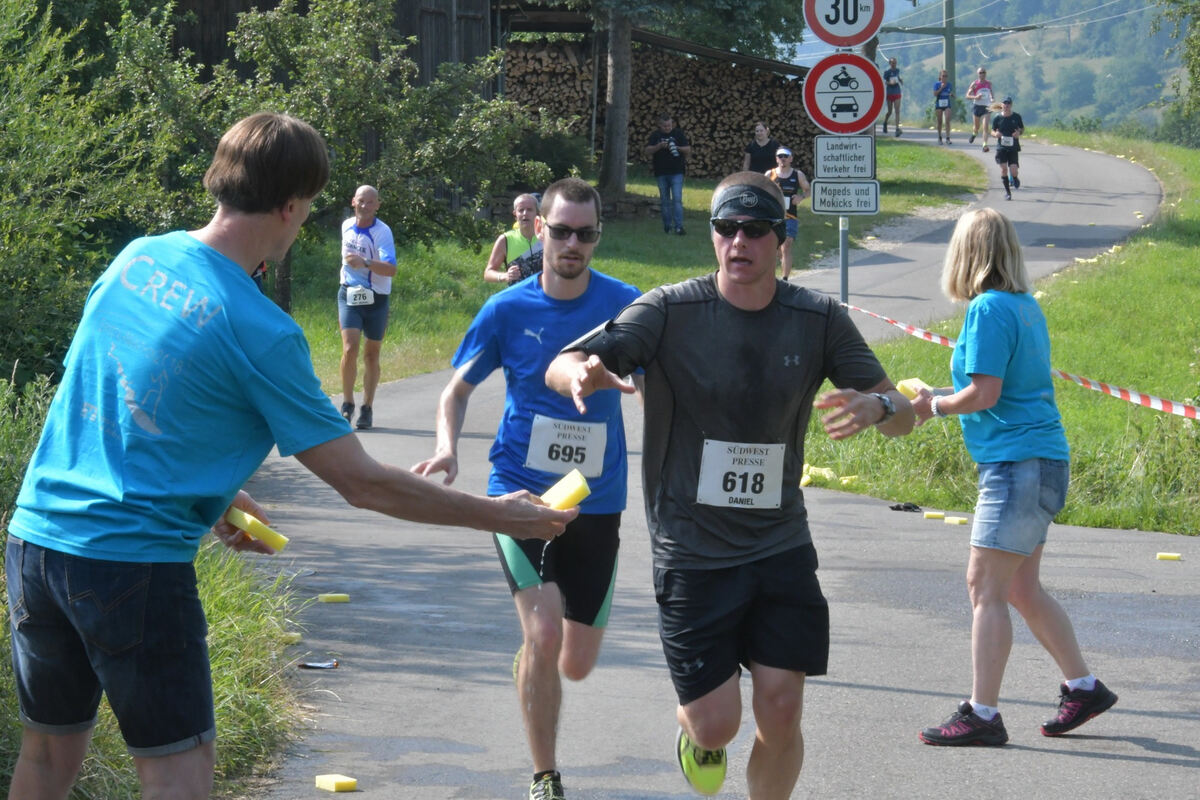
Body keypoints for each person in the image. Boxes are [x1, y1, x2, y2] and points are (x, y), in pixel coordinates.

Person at [3, 112, 575, 800]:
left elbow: (99, 401)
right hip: (132, 567)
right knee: (177, 775)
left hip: (36, 543)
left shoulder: (138, 257)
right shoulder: (261, 329)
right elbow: (364, 485)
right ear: (291, 205)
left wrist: (212, 494)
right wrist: (500, 514)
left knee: (44, 755)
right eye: (308, 209)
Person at [545, 172, 914, 798]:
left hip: (779, 544)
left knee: (781, 709)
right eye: (725, 228)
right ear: (712, 234)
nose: (738, 241)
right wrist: (579, 376)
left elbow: (901, 414)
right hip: (691, 549)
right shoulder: (668, 310)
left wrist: (879, 409)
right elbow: (565, 360)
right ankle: (698, 734)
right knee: (718, 726)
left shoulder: (817, 317)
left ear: (780, 238)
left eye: (754, 229)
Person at [414, 177, 641, 800]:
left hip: (597, 501)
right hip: (518, 493)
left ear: (598, 237)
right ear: (537, 229)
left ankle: (537, 666)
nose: (573, 244)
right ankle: (546, 776)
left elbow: (666, 379)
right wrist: (445, 445)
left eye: (586, 234)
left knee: (576, 661)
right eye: (562, 230)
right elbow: (456, 390)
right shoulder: (507, 309)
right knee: (542, 635)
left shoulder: (627, 305)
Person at [910, 208, 1117, 747]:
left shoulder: (986, 309)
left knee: (985, 588)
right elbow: (997, 388)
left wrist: (933, 407)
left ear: (967, 253)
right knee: (1021, 586)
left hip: (1016, 466)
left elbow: (984, 394)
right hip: (1045, 459)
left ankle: (982, 714)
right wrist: (941, 397)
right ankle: (1083, 686)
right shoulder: (1024, 306)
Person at [338, 184, 397, 430]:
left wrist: (364, 262)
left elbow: (391, 268)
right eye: (361, 201)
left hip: (377, 298)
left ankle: (367, 407)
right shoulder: (346, 226)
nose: (365, 206)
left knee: (371, 354)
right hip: (349, 293)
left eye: (370, 202)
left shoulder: (382, 232)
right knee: (350, 348)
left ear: (377, 205)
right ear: (353, 201)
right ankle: (347, 404)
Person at [765, 148, 811, 281]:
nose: (783, 158)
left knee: (787, 245)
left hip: (790, 216)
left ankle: (785, 279)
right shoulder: (770, 174)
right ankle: (771, 276)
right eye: (780, 156)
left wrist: (801, 197)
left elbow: (808, 190)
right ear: (776, 159)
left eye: (786, 156)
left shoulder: (797, 174)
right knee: (776, 249)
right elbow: (761, 190)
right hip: (773, 216)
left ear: (791, 158)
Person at [644, 113, 691, 236]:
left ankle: (679, 227)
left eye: (669, 125)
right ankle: (667, 226)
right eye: (665, 126)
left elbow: (688, 150)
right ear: (660, 125)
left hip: (677, 172)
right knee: (665, 201)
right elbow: (647, 151)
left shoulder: (678, 134)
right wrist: (659, 146)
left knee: (677, 199)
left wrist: (677, 147)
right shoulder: (656, 136)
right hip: (661, 172)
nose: (667, 128)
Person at [484, 193, 543, 285]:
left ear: (537, 213)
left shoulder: (547, 238)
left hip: (544, 295)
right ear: (515, 214)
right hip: (518, 296)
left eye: (529, 210)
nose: (525, 213)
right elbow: (488, 273)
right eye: (521, 210)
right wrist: (504, 276)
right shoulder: (505, 240)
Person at [991, 97, 1025, 200]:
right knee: (1004, 169)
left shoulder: (1016, 117)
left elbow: (1022, 129)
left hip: (1013, 147)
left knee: (1014, 170)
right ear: (1002, 105)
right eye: (1005, 104)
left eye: (1008, 104)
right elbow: (992, 131)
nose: (1006, 106)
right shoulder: (997, 118)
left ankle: (1014, 178)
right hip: (1001, 147)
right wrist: (995, 134)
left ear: (1011, 105)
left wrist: (1018, 133)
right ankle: (1008, 193)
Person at [965, 67, 994, 151]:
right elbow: (967, 96)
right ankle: (974, 133)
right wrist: (975, 97)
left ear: (986, 73)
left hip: (987, 107)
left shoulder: (989, 83)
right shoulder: (975, 84)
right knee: (977, 127)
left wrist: (992, 98)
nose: (982, 74)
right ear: (978, 74)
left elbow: (991, 93)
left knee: (985, 126)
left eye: (983, 72)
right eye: (980, 73)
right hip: (977, 106)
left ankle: (984, 145)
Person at [881, 57, 903, 137]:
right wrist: (890, 83)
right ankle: (885, 122)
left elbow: (898, 77)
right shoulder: (887, 72)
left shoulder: (897, 70)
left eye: (895, 63)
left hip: (897, 91)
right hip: (890, 93)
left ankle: (897, 129)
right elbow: (884, 81)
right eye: (893, 63)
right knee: (890, 111)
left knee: (897, 111)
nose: (894, 64)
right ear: (890, 63)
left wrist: (900, 80)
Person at [933, 69, 954, 145]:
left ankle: (948, 138)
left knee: (948, 119)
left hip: (947, 104)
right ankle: (939, 137)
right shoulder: (936, 84)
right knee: (940, 121)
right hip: (939, 104)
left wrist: (951, 94)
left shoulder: (949, 84)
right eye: (943, 76)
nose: (945, 78)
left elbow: (949, 92)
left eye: (946, 76)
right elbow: (935, 94)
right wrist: (941, 88)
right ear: (940, 77)